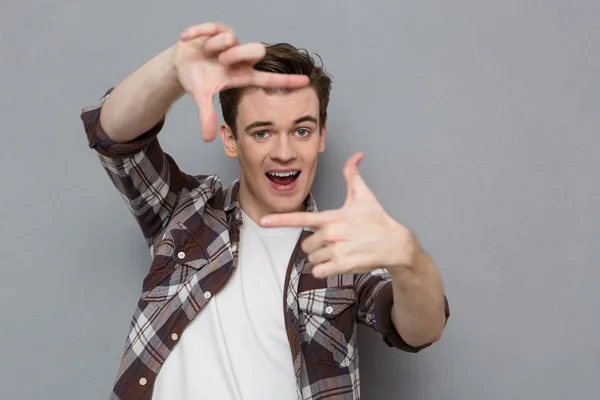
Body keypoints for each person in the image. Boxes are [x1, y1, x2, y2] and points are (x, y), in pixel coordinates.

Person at [80, 22, 450, 400]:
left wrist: (409, 258)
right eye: (262, 132)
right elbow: (113, 135)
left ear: (322, 135)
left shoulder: (343, 251)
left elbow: (420, 329)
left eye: (302, 130)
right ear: (231, 140)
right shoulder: (183, 209)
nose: (285, 151)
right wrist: (175, 67)